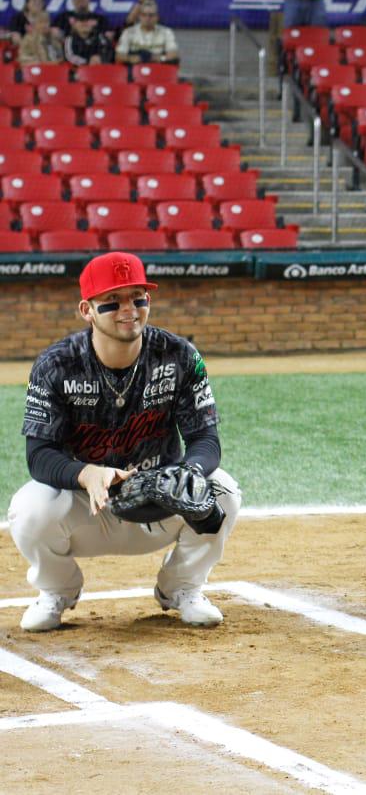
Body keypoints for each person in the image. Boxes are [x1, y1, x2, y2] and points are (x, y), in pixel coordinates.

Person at [7, 252, 241, 632]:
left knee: (223, 491)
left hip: (160, 500)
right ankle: (56, 591)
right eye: (112, 301)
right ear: (87, 310)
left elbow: (204, 438)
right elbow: (39, 456)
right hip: (89, 507)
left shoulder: (180, 356)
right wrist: (85, 474)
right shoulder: (55, 364)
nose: (128, 309)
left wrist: (188, 472)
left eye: (138, 298)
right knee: (28, 508)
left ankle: (182, 588)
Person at [115, 0, 178, 64]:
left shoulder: (167, 32)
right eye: (144, 15)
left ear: (157, 17)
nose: (147, 18)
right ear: (139, 17)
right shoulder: (128, 32)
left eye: (151, 15)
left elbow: (174, 55)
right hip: (135, 68)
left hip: (158, 67)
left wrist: (159, 58)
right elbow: (119, 55)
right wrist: (131, 59)